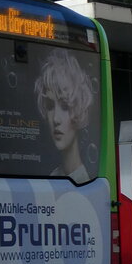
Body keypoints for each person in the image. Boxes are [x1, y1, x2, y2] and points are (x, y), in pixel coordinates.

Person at [34, 49, 93, 182]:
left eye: (65, 107)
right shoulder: (53, 178)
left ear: (80, 109)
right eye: (50, 106)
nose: (55, 119)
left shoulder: (87, 182)